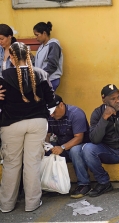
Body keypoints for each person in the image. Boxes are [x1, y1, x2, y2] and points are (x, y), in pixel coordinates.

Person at [0, 42, 54, 213]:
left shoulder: (3, 76)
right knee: (32, 164)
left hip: (11, 124)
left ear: (12, 57)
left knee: (11, 164)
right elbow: (52, 105)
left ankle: (6, 205)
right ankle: (32, 203)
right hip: (37, 124)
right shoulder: (42, 74)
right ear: (29, 55)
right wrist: (43, 116)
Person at [46, 94, 91, 199]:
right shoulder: (51, 117)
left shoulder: (76, 114)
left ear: (61, 105)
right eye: (50, 113)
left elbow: (79, 138)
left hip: (80, 146)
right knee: (45, 149)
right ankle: (52, 185)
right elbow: (47, 135)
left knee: (75, 151)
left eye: (54, 112)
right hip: (62, 145)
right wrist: (46, 145)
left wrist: (62, 147)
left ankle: (84, 184)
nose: (52, 115)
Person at [34, 21, 63, 91]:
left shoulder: (53, 45)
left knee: (47, 100)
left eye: (37, 35)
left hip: (51, 79)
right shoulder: (41, 46)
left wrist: (40, 75)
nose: (36, 37)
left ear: (44, 33)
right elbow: (40, 62)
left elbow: (52, 65)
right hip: (43, 79)